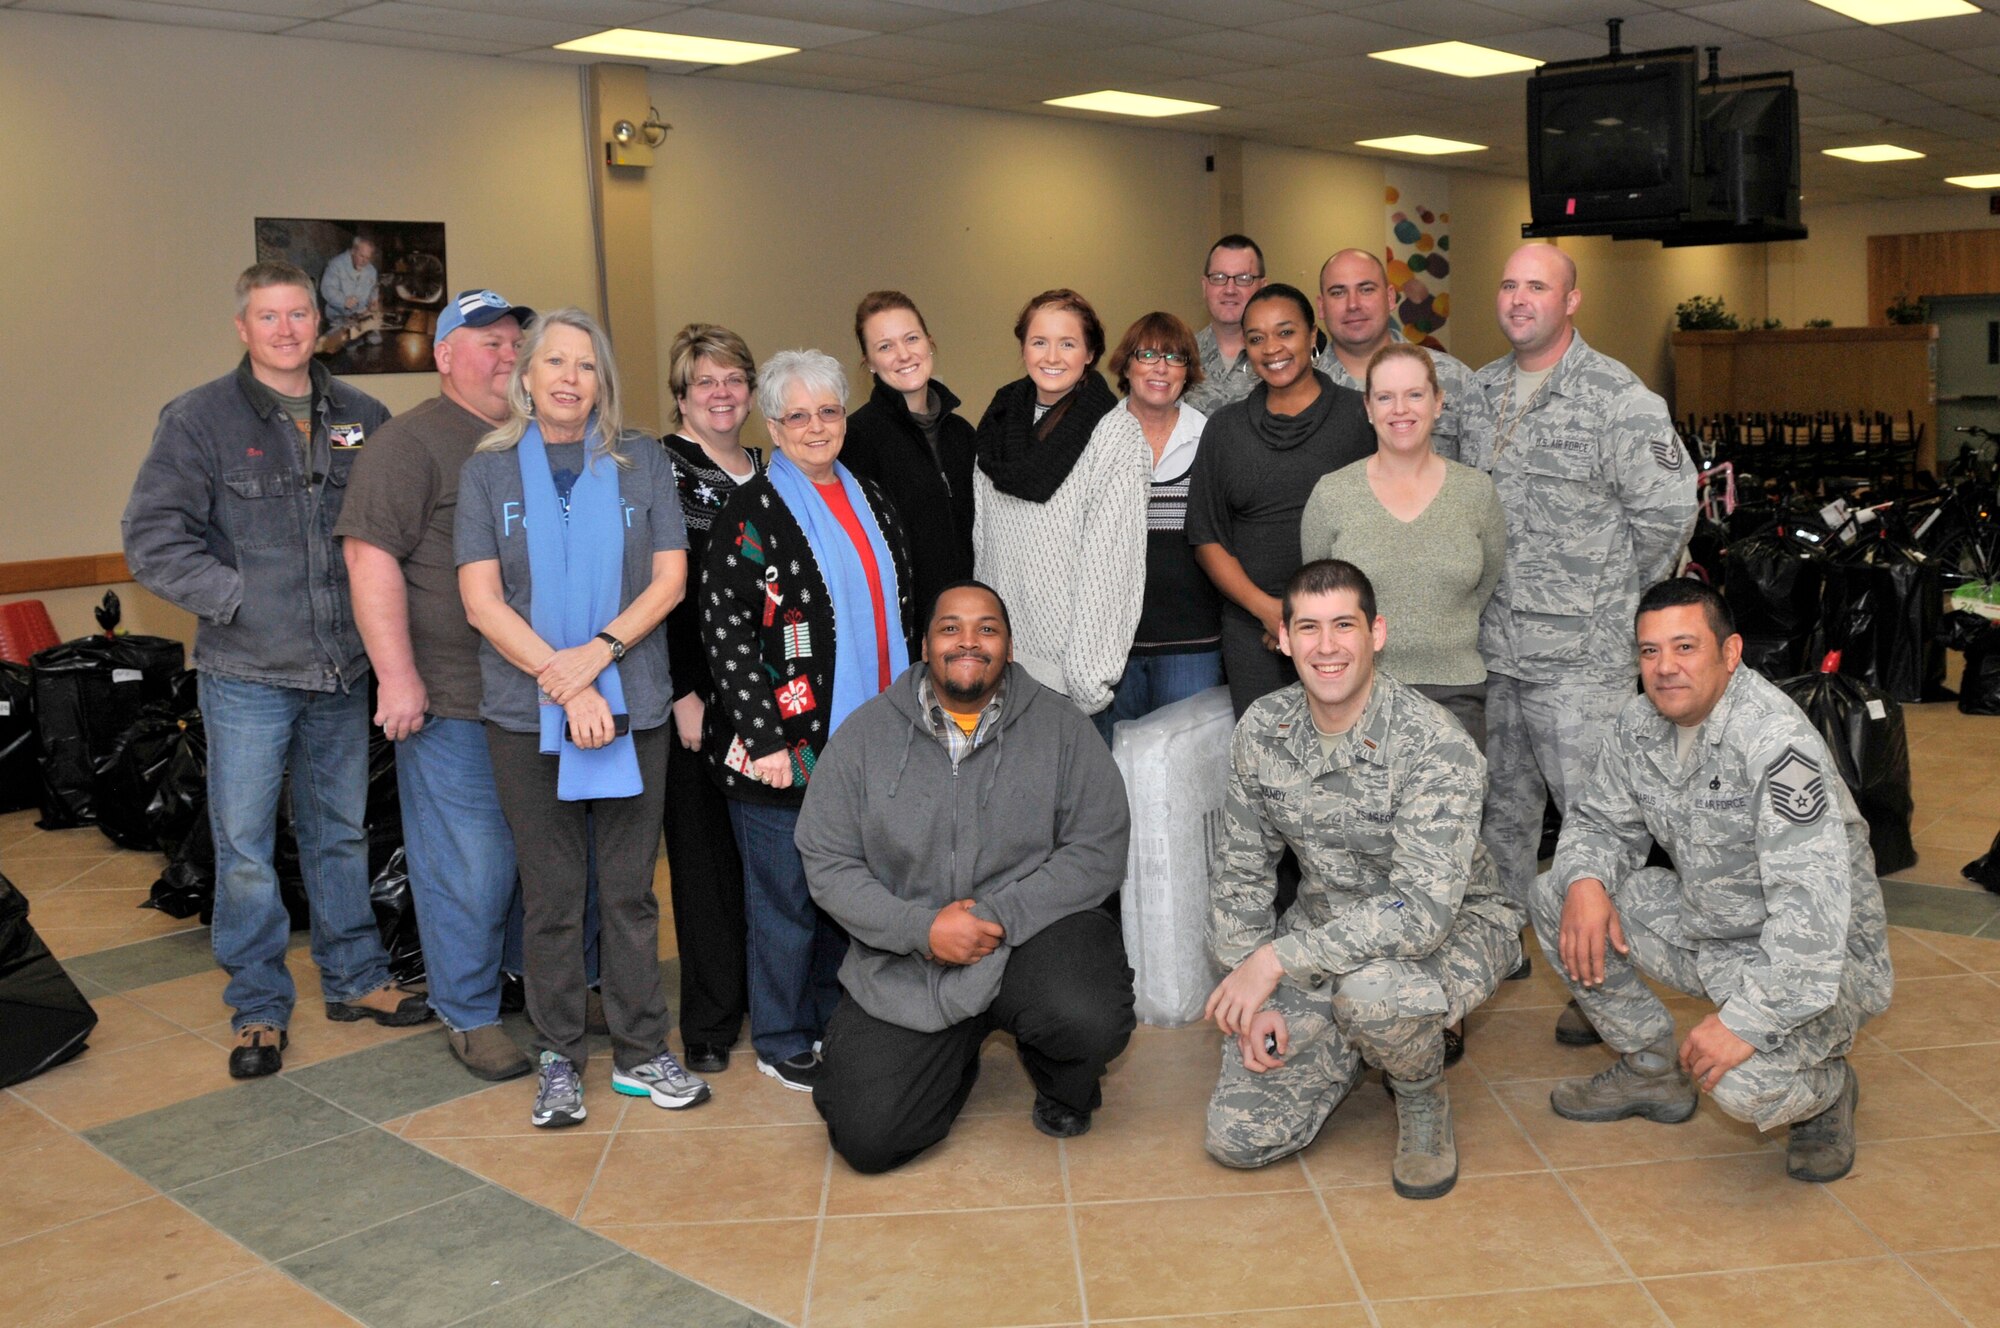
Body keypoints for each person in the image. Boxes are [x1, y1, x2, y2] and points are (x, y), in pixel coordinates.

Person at [123, 261, 428, 1080]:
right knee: (247, 848)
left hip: (342, 671)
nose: (286, 330)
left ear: (317, 324)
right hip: (248, 672)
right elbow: (152, 539)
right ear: (243, 328)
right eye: (269, 317)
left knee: (340, 834)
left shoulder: (364, 415)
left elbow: (391, 535)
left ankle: (357, 977)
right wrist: (235, 597)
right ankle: (258, 1006)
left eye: (299, 315)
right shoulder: (198, 420)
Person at [1532, 579, 1892, 1183]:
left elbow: (1810, 926)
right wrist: (1587, 878)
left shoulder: (1776, 746)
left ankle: (1827, 1092)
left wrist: (1741, 1025)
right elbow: (1597, 821)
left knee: (1742, 1084)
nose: (1665, 668)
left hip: (1817, 970)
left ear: (1730, 653)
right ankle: (1650, 1070)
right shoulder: (1639, 723)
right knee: (1558, 895)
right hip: (1712, 927)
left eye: (1685, 647)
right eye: (1649, 652)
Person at [456, 307, 706, 1128]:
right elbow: (482, 602)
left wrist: (594, 659)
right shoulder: (487, 473)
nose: (569, 378)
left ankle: (641, 1052)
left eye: (586, 364)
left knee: (630, 893)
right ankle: (560, 1058)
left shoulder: (642, 463)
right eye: (553, 362)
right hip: (525, 717)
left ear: (604, 380)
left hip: (634, 707)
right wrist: (565, 684)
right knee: (554, 896)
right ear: (525, 376)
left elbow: (668, 583)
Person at [1204, 560, 1522, 1199]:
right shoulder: (1262, 731)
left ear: (1376, 633)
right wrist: (1256, 995)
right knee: (1240, 1137)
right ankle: (1355, 1047)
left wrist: (1277, 960)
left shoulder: (1435, 744)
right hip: (1326, 929)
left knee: (1373, 996)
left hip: (1453, 926)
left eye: (1344, 626)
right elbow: (1239, 873)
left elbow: (1421, 912)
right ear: (1284, 638)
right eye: (1309, 628)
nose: (1327, 647)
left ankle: (1419, 1090)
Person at [800, 582, 1135, 1171]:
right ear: (925, 645)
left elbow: (1098, 847)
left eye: (987, 628)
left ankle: (1064, 1082)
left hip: (1029, 942)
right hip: (909, 963)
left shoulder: (1061, 727)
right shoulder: (864, 736)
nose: (968, 641)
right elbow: (827, 861)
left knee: (1086, 1014)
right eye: (950, 627)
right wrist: (921, 928)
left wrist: (995, 917)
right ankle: (953, 1056)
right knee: (867, 1140)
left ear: (1008, 646)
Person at [1472, 243, 1698, 1041]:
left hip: (1582, 667)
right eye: (1509, 284)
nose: (1519, 298)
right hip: (1495, 656)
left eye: (1538, 285)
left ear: (1571, 301)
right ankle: (1490, 967)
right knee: (1498, 825)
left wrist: (1605, 608)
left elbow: (1668, 516)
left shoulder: (1618, 399)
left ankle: (1605, 989)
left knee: (1597, 829)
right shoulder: (1480, 392)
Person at [702, 348, 915, 1093]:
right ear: (773, 425)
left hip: (867, 746)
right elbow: (725, 635)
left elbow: (905, 611)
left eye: (829, 411)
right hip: (782, 752)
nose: (817, 427)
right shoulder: (749, 513)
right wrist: (765, 741)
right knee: (784, 901)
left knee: (842, 896)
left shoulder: (871, 498)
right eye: (798, 415)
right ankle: (782, 1035)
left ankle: (832, 1017)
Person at [336, 288, 536, 1082]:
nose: (508, 354)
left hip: (545, 697)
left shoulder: (540, 436)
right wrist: (397, 676)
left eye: (517, 341)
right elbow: (369, 558)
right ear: (444, 353)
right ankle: (470, 1012)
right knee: (471, 866)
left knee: (543, 859)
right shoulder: (411, 442)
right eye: (488, 342)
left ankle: (536, 981)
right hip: (456, 699)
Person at [1299, 343, 1504, 747]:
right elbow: (1316, 597)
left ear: (1438, 402)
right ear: (1369, 408)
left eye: (1414, 394)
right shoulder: (1333, 495)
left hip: (1456, 698)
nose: (1401, 409)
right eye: (1385, 397)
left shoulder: (1476, 492)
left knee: (1451, 812)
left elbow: (1486, 582)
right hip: (1355, 695)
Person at [1185, 282, 1373, 717]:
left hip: (1344, 629)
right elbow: (1207, 537)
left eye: (1285, 332)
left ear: (1312, 336)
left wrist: (1313, 621)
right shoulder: (1225, 429)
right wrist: (1272, 613)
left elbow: (1383, 525)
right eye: (1256, 338)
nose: (1272, 348)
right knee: (1267, 769)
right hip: (1254, 629)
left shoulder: (1359, 418)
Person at [658, 322, 762, 1075]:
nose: (721, 394)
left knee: (773, 860)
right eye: (705, 383)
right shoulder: (658, 471)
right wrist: (683, 692)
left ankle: (776, 997)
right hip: (697, 698)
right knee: (704, 865)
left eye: (733, 381)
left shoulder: (776, 465)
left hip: (776, 697)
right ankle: (710, 1022)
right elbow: (656, 593)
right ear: (682, 398)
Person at [971, 289, 1146, 723]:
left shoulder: (1115, 436)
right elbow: (985, 548)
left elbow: (1113, 568)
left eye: (1068, 343)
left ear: (1089, 354)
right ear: (1023, 347)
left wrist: (1085, 683)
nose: (1052, 356)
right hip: (1001, 672)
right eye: (1039, 341)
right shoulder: (996, 422)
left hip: (1070, 685)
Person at [1089, 311, 1222, 740]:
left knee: (1184, 781)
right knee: (1113, 781)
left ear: (1188, 372)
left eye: (1175, 357)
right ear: (1126, 366)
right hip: (1111, 649)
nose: (1161, 367)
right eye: (1147, 354)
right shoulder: (1097, 438)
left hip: (1192, 646)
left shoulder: (1212, 439)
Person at [840, 291, 977, 633]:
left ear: (930, 342)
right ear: (868, 361)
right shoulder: (855, 439)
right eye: (885, 346)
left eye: (911, 338)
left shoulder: (963, 434)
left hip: (967, 626)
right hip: (899, 634)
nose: (903, 355)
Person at [1312, 248, 1489, 466]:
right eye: (1338, 292)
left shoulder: (1453, 379)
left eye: (1366, 289)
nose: (1353, 304)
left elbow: (1480, 480)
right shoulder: (1304, 389)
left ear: (1390, 297)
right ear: (1321, 306)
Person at [1182, 234, 1266, 417]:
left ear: (1262, 287)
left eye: (1243, 278)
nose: (1230, 289)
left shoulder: (1281, 358)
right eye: (1219, 277)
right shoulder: (1180, 356)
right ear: (1205, 286)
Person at [319, 235, 382, 346]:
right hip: (339, 317)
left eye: (368, 258)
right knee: (337, 347)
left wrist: (374, 300)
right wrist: (343, 301)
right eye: (361, 256)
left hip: (361, 317)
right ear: (353, 251)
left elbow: (374, 289)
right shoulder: (336, 264)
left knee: (375, 342)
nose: (364, 261)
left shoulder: (371, 270)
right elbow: (327, 289)